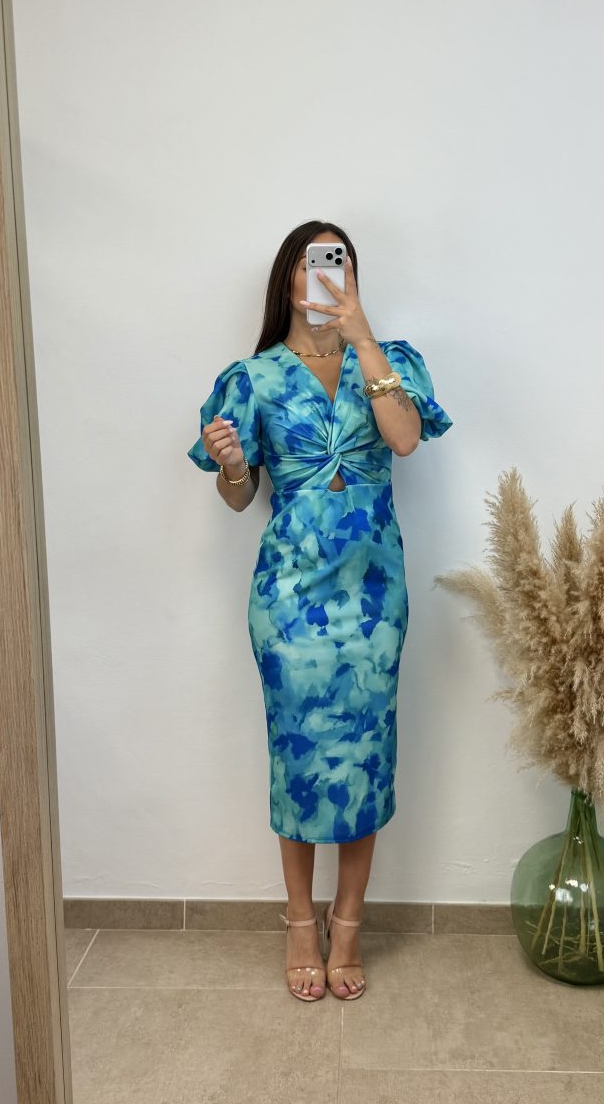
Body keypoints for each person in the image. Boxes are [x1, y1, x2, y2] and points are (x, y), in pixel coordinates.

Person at [187, 221, 453, 1002]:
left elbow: (404, 439)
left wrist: (361, 335)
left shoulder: (390, 360)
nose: (325, 275)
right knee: (298, 755)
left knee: (365, 755)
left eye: (338, 263)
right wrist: (233, 466)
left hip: (373, 596)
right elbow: (238, 497)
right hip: (291, 599)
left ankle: (349, 925)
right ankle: (301, 923)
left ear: (352, 277)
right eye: (312, 263)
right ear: (288, 279)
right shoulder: (254, 378)